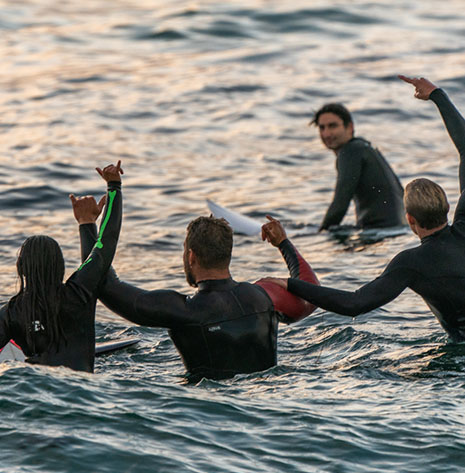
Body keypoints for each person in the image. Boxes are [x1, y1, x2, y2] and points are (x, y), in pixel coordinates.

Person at [266, 76, 465, 342]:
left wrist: (290, 283)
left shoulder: (410, 263)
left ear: (410, 220)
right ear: (449, 207)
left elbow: (354, 304)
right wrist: (437, 95)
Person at [71, 198, 319, 382]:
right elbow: (311, 293)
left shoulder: (181, 311)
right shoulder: (265, 296)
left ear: (191, 257)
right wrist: (283, 244)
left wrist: (87, 224)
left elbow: (103, 284)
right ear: (227, 255)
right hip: (267, 397)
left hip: (205, 418)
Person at [0, 161, 123, 372]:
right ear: (60, 266)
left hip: (31, 389)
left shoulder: (11, 312)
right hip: (83, 392)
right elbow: (107, 242)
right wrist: (114, 188)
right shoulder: (79, 292)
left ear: (21, 269)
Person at [311, 101, 406, 230]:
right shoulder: (364, 148)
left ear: (349, 127)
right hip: (399, 228)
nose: (326, 134)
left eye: (332, 126)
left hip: (380, 230)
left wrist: (320, 234)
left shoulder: (350, 151)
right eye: (322, 128)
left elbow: (340, 204)